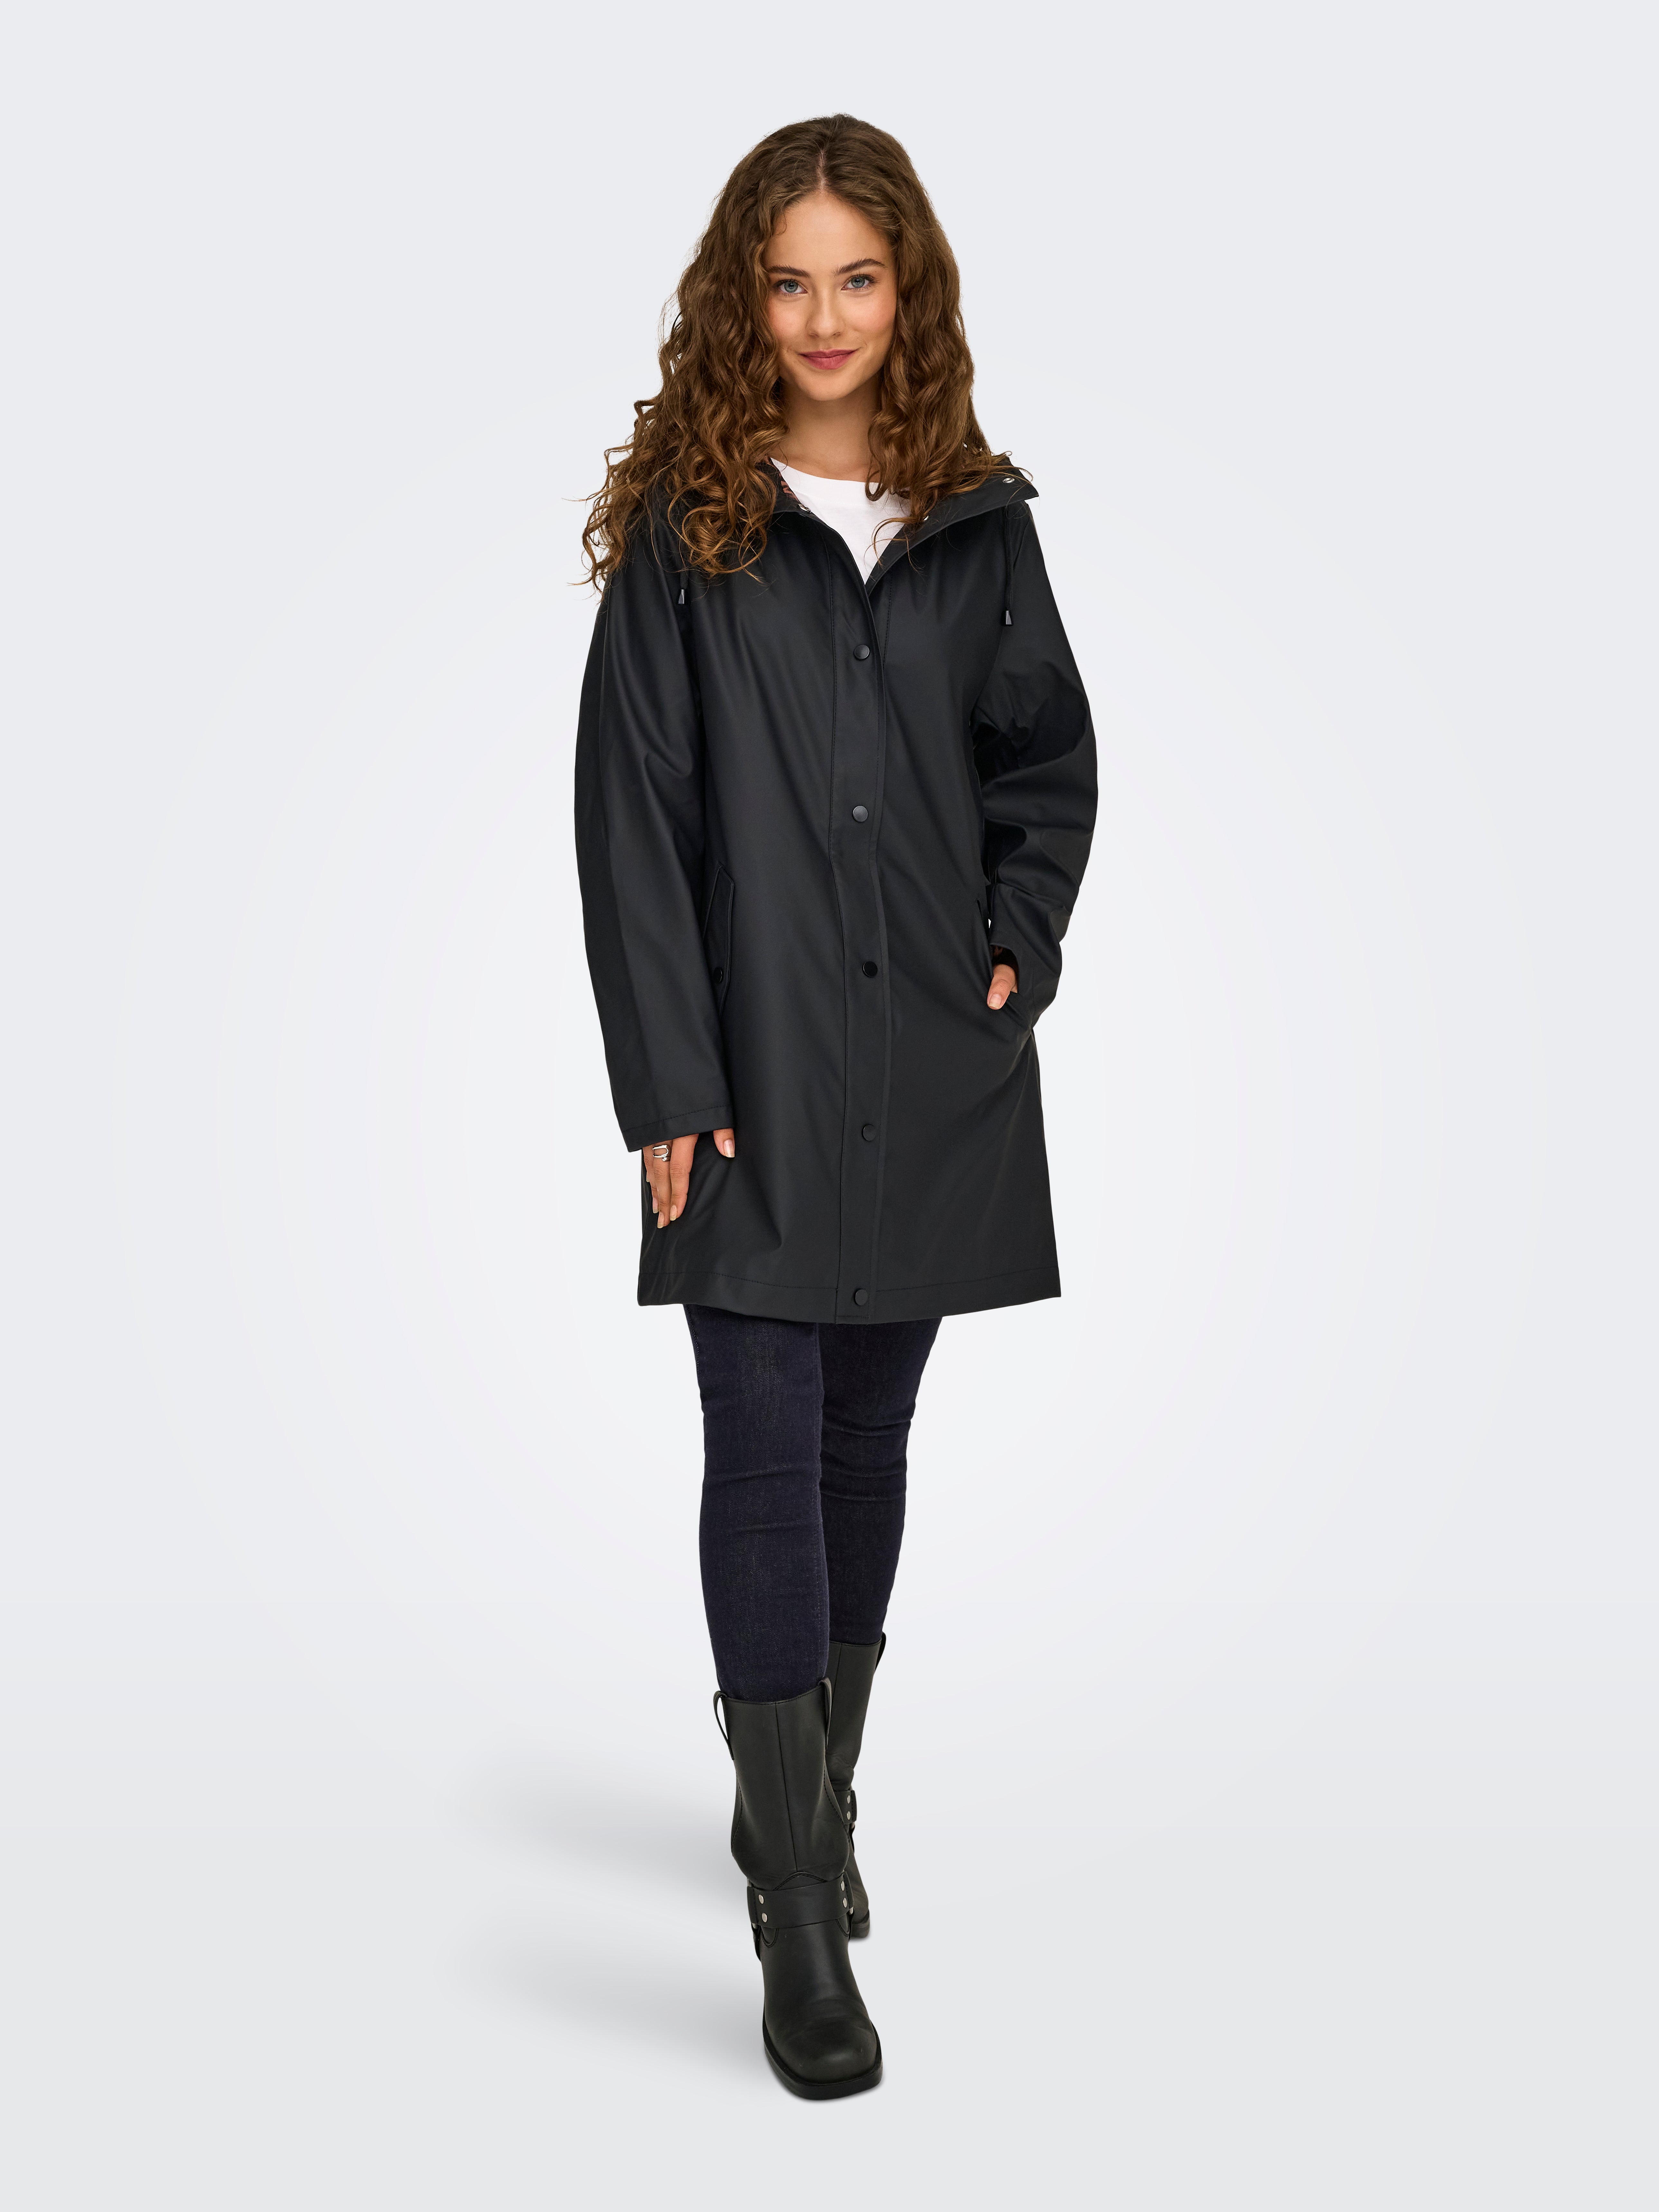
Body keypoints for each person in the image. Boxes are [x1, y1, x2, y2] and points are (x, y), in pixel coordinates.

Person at [575, 114, 1096, 2098]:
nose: (821, 317)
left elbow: (1043, 764)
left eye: (855, 278)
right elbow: (631, 821)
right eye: (787, 281)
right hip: (749, 1075)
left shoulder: (975, 520)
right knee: (763, 1436)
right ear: (744, 297)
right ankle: (796, 1906)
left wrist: (1015, 941)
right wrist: (667, 1083)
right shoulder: (688, 533)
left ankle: (812, 1795)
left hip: (930, 1070)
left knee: (865, 1437)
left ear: (907, 292)